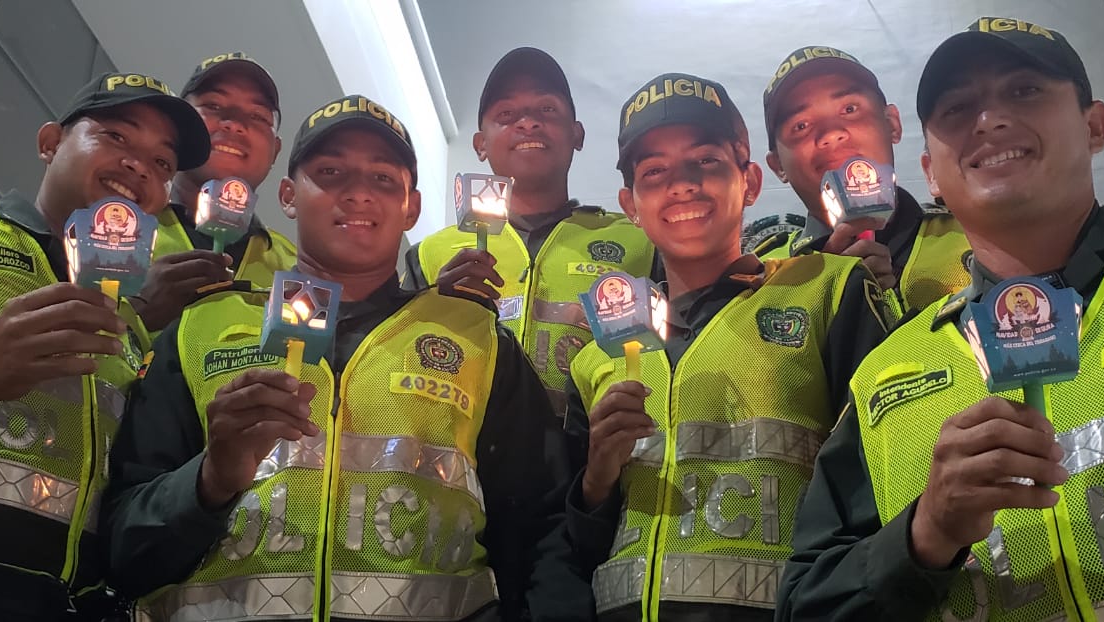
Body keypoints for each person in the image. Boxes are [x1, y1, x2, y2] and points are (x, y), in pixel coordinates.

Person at [103, 94, 587, 621]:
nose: (358, 193)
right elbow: (121, 550)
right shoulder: (201, 328)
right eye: (331, 172)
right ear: (288, 195)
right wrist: (209, 481)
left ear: (412, 208)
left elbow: (544, 531)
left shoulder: (478, 340)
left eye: (383, 178)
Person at [777, 17, 1104, 621]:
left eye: (1024, 90)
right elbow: (806, 607)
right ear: (931, 171)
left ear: (1094, 125)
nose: (989, 120)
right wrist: (925, 533)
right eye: (957, 107)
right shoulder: (884, 375)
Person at [565, 72, 892, 621]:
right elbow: (572, 551)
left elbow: (878, 489)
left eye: (706, 161)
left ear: (751, 181)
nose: (682, 184)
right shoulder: (596, 355)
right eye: (654, 171)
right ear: (630, 204)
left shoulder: (826, 291)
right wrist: (596, 480)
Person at [0, 71, 209, 621]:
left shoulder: (133, 331)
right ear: (50, 143)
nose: (140, 165)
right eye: (116, 135)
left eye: (163, 163)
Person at [404, 47, 656, 414]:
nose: (528, 123)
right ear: (480, 144)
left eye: (547, 109)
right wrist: (433, 309)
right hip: (464, 446)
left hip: (597, 446)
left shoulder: (641, 241)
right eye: (506, 114)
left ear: (577, 134)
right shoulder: (430, 255)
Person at [758, 45, 971, 313]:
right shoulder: (761, 281)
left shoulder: (977, 238)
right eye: (801, 125)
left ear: (892, 124)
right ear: (778, 165)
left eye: (849, 109)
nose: (832, 134)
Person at [134, 51, 297, 332]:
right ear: (180, 128)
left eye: (258, 116)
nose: (234, 124)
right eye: (213, 105)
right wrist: (133, 314)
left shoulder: (295, 271)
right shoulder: (111, 227)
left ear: (275, 151)